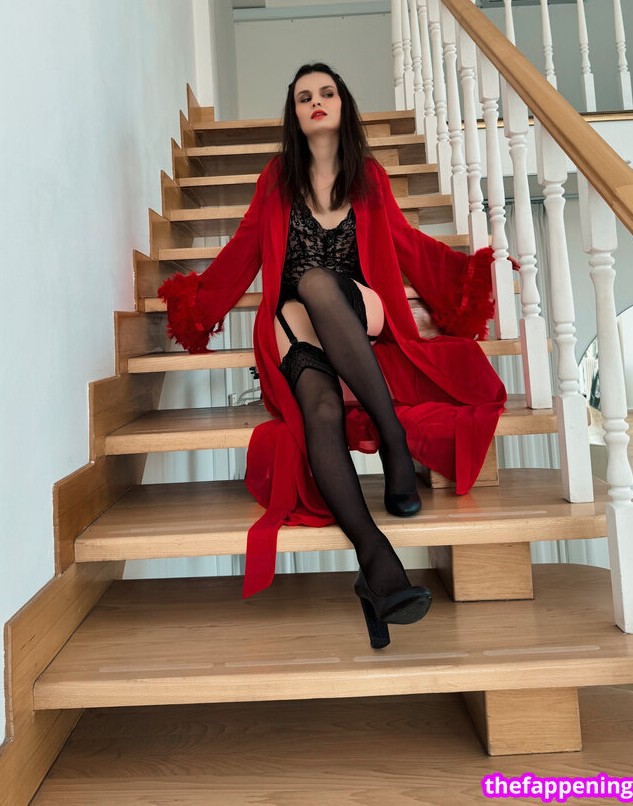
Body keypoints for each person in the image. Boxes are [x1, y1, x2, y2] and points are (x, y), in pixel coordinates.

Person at [158, 62, 508, 648]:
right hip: (293, 314)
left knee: (319, 281)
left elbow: (404, 242)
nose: (315, 102)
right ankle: (377, 565)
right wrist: (197, 304)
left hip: (356, 304)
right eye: (304, 97)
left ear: (342, 105)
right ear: (294, 114)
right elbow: (246, 247)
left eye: (326, 93)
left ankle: (392, 440)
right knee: (319, 410)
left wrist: (465, 275)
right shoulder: (277, 178)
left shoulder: (367, 176)